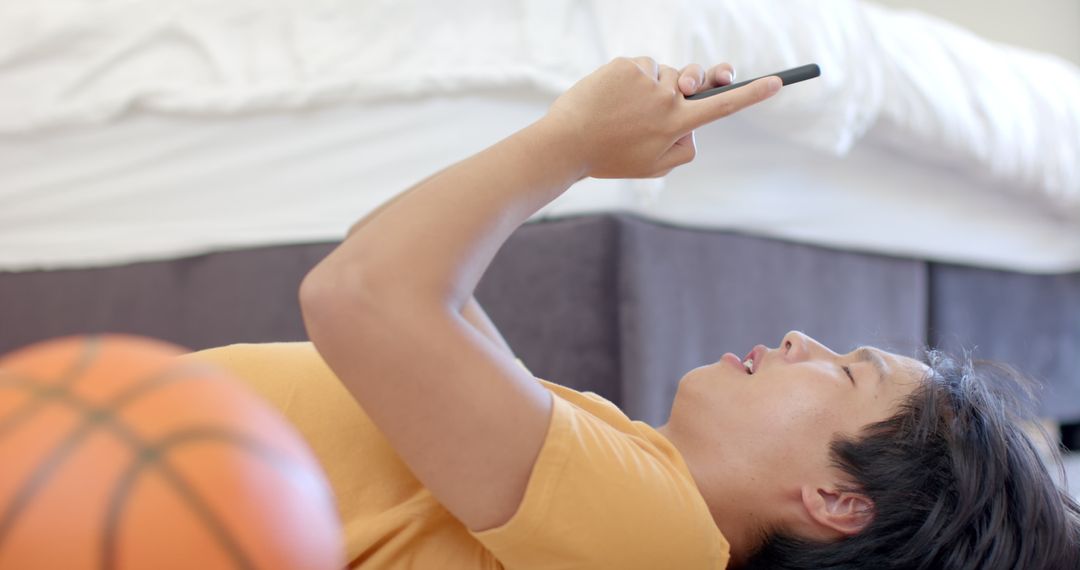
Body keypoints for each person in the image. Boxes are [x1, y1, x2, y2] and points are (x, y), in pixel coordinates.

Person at [188, 57, 1080, 568]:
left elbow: (359, 295)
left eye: (846, 369)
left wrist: (572, 142)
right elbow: (387, 256)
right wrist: (587, 143)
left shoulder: (658, 544)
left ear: (837, 501)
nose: (805, 339)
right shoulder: (623, 473)